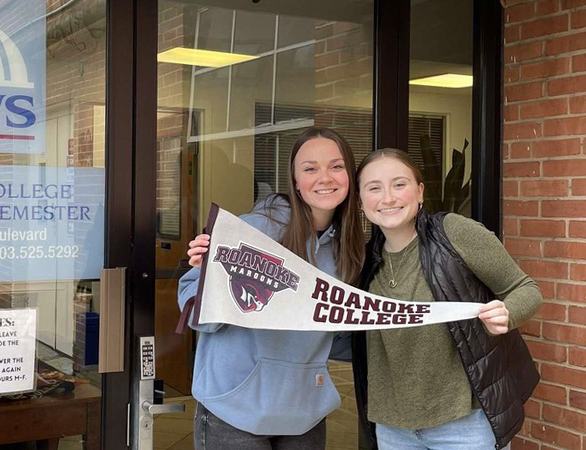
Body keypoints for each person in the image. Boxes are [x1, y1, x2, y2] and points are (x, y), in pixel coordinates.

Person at [177, 127, 365, 450]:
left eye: (336, 166)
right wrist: (211, 282)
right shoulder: (259, 227)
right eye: (310, 169)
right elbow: (195, 308)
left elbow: (332, 336)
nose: (325, 178)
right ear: (295, 182)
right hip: (233, 410)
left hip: (304, 412)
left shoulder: (348, 250)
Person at [352, 148, 541, 450]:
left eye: (399, 184)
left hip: (465, 424)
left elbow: (525, 288)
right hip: (392, 427)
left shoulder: (454, 233)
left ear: (420, 191)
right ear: (361, 201)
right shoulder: (361, 261)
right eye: (374, 188)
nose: (387, 198)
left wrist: (507, 313)